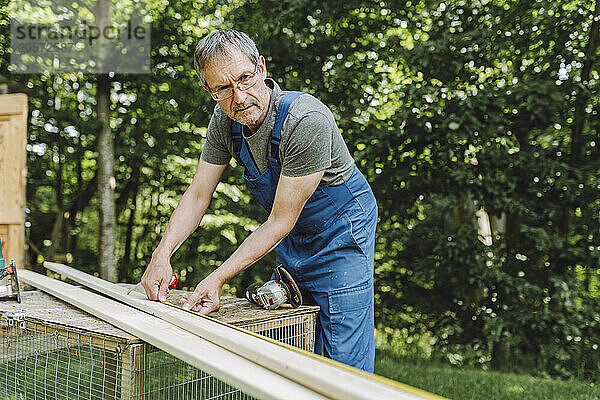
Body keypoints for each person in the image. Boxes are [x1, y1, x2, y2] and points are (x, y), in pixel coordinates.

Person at [141, 29, 378, 372]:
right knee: (288, 350)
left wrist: (217, 277)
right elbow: (197, 195)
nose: (238, 97)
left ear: (262, 68)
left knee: (343, 363)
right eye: (223, 89)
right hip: (292, 235)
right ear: (209, 90)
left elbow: (280, 220)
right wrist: (162, 255)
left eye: (245, 78)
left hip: (342, 234)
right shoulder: (225, 123)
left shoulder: (305, 121)